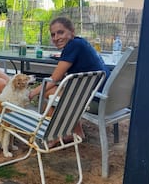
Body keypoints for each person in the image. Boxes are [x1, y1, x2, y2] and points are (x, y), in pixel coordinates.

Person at [28, 16, 110, 144]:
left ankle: (53, 135)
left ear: (72, 31)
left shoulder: (73, 46)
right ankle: (77, 133)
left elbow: (54, 79)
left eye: (60, 32)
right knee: (64, 91)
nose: (56, 38)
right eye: (53, 35)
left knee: (48, 92)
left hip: (94, 102)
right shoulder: (81, 43)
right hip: (105, 99)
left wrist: (31, 93)